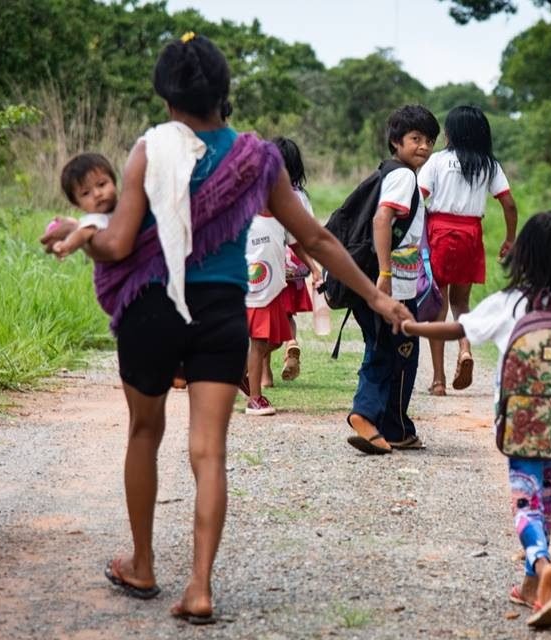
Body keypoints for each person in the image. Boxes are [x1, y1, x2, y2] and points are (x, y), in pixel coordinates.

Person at [40, 32, 412, 625]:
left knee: (145, 433)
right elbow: (315, 237)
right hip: (220, 315)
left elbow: (114, 243)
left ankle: (141, 563)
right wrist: (375, 296)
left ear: (167, 97)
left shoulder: (150, 150)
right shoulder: (258, 158)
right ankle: (200, 587)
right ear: (223, 92)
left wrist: (78, 235)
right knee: (209, 451)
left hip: (152, 312)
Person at [400, 211, 551, 629]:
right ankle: (533, 583)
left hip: (520, 422)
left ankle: (541, 562)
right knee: (543, 497)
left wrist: (411, 326)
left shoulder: (510, 303)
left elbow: (458, 329)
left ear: (524, 256)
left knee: (523, 501)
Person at [345, 104, 439, 455]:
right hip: (391, 286)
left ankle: (395, 427)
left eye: (429, 140)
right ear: (396, 141)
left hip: (383, 283)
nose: (424, 147)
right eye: (416, 139)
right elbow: (382, 221)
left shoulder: (390, 172)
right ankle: (367, 416)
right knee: (393, 353)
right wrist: (384, 276)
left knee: (389, 351)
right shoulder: (403, 177)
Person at [416, 105, 518, 396]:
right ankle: (464, 349)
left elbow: (418, 197)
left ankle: (438, 380)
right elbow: (509, 204)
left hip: (440, 232)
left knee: (438, 303)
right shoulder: (488, 165)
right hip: (471, 234)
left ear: (450, 132)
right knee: (461, 302)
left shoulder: (437, 161)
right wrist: (510, 238)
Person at [244, 203, 320, 416]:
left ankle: (242, 371)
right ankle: (254, 400)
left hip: (276, 289)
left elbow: (296, 245)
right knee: (259, 343)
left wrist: (314, 268)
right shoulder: (244, 217)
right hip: (254, 290)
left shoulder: (281, 216)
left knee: (277, 340)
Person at [269, 136, 319, 385]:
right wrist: (315, 267)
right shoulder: (300, 196)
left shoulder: (263, 193)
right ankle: (291, 342)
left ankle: (264, 376)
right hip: (295, 264)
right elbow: (308, 232)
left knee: (263, 315)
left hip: (269, 261)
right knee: (288, 314)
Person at [51, 153, 118, 257]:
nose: (97, 194)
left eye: (101, 184)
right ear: (77, 204)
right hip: (115, 272)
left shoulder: (128, 202)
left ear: (114, 182)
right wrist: (67, 245)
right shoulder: (95, 220)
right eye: (86, 193)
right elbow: (82, 234)